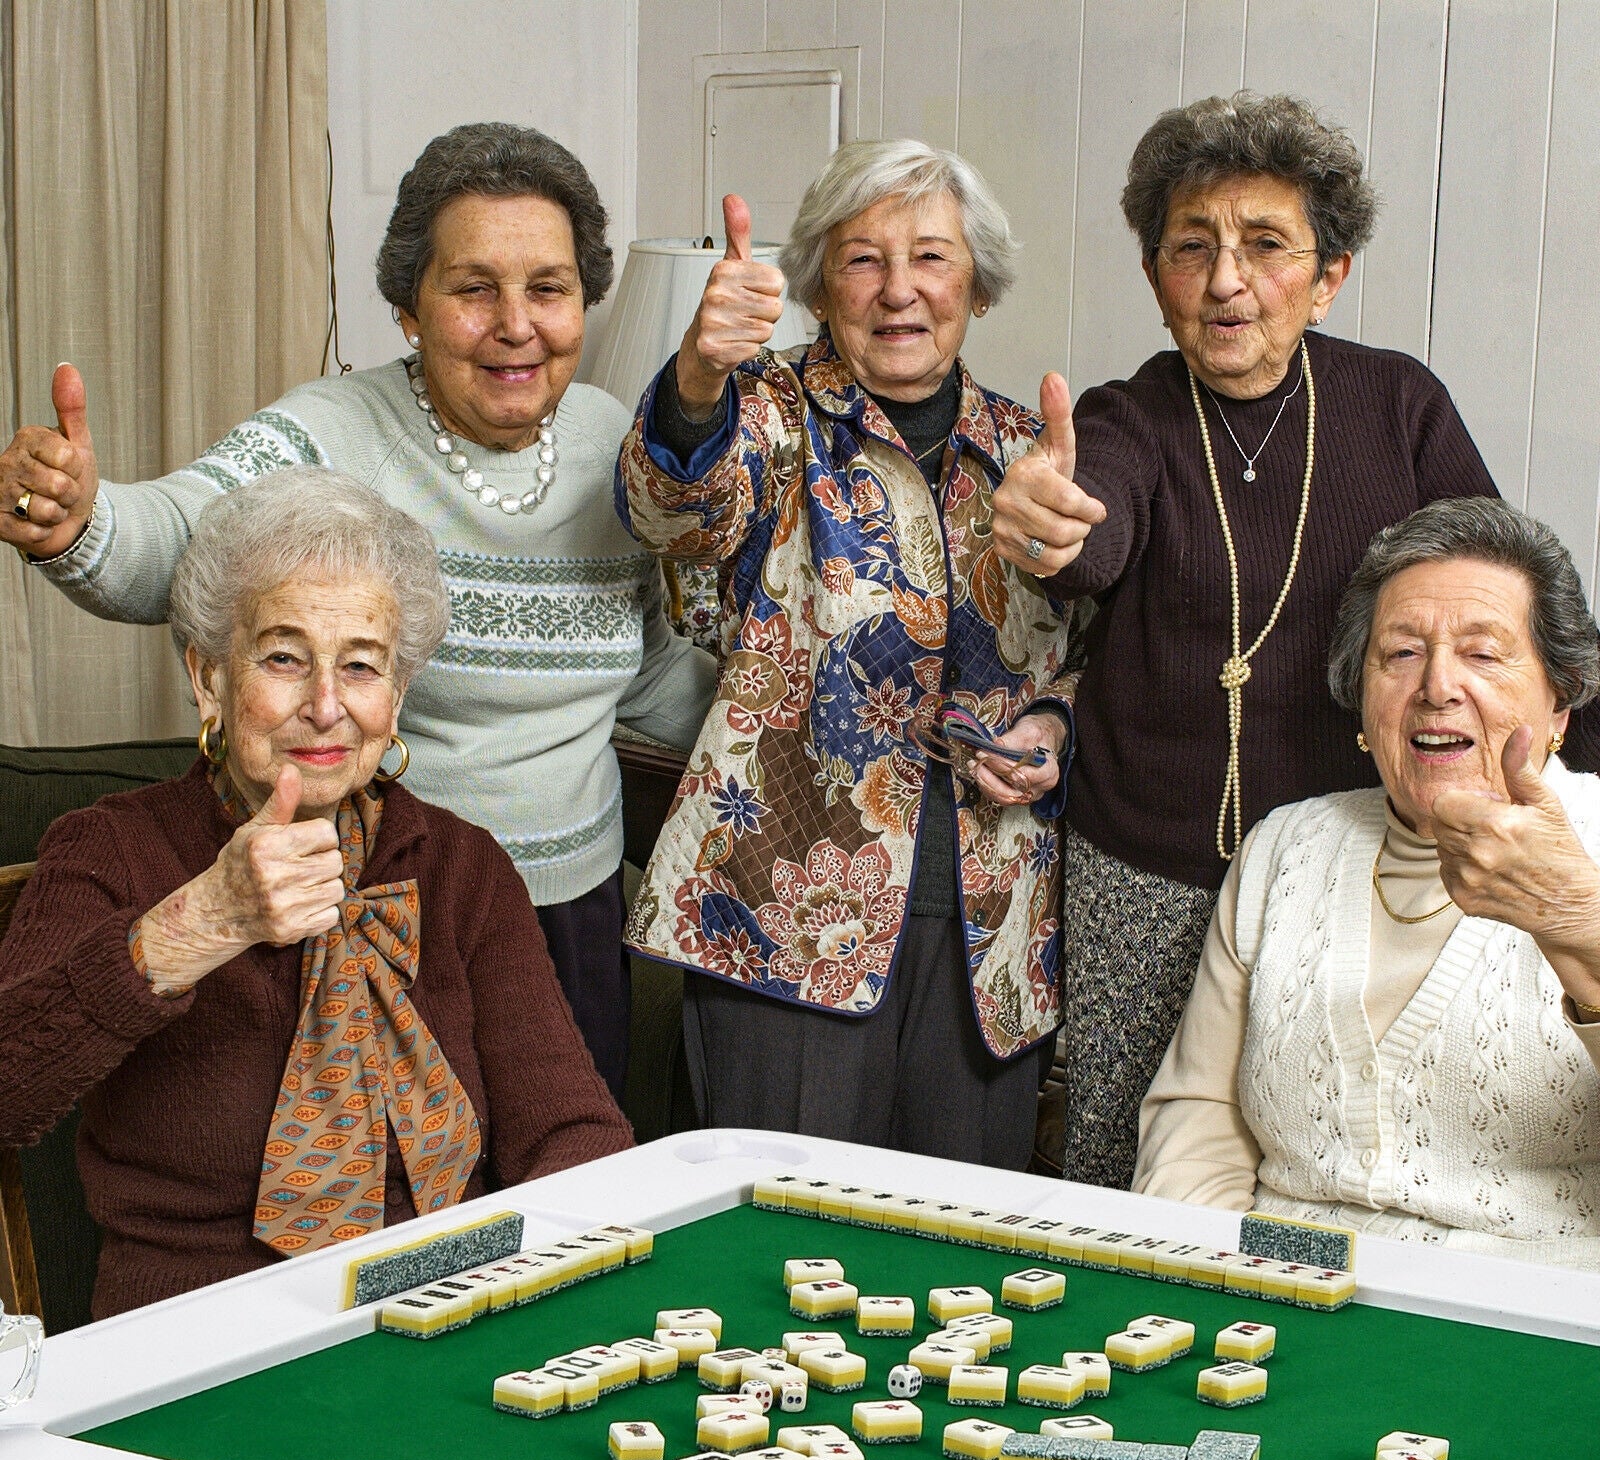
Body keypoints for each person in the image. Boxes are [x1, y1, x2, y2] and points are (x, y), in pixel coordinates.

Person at [0, 122, 716, 1099]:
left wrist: (798, 721)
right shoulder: (334, 428)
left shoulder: (612, 442)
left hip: (573, 918)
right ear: (407, 307)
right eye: (473, 288)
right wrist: (83, 523)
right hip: (385, 900)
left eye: (547, 288)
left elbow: (651, 667)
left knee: (569, 1195)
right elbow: (183, 536)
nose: (517, 323)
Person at [986, 90, 1600, 1188]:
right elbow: (1097, 521)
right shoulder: (1129, 415)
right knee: (1141, 1148)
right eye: (1191, 247)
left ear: (1328, 276)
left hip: (1349, 862)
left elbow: (1503, 593)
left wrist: (1575, 796)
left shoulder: (1395, 405)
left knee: (1353, 1142)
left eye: (1265, 246)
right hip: (1150, 869)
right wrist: (1055, 522)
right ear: (1153, 274)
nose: (1225, 280)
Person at [0, 469, 634, 1318]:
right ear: (209, 680)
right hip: (205, 1328)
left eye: (362, 667)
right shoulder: (112, 849)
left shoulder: (460, 867)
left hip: (456, 1313)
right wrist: (200, 924)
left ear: (398, 696)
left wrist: (555, 1304)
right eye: (284, 658)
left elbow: (571, 1134)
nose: (327, 706)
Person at [615, 140, 1080, 1169]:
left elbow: (1076, 663)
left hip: (986, 942)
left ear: (977, 286)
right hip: (778, 928)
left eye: (931, 258)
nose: (899, 290)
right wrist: (698, 375)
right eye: (865, 260)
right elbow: (670, 508)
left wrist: (1052, 727)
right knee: (782, 1255)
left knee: (968, 1258)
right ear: (823, 283)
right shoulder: (767, 417)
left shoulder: (1024, 451)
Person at [1134, 497, 1600, 1267]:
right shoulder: (1286, 847)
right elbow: (1199, 1119)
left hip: (1531, 1320)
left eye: (1484, 653)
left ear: (1559, 700)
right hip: (1279, 1300)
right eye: (1402, 653)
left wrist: (1579, 920)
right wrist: (1202, 1283)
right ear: (1362, 699)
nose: (1438, 686)